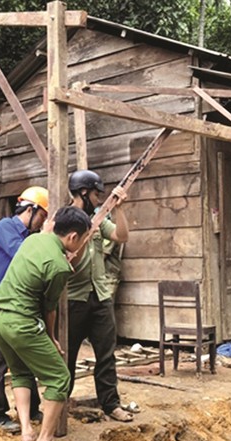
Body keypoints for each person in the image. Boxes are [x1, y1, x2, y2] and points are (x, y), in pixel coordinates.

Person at [0, 206, 91, 441]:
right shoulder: (59, 266)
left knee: (21, 372)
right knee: (59, 377)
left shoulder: (33, 239)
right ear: (72, 238)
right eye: (83, 239)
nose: (82, 245)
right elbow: (50, 308)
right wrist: (50, 336)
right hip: (22, 322)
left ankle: (26, 431)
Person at [0, 186, 49, 433]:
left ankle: (30, 409)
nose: (42, 224)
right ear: (31, 210)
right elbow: (24, 257)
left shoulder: (28, 237)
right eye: (42, 217)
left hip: (13, 307)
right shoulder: (5, 227)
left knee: (25, 360)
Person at [65, 169, 133, 422]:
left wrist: (119, 210)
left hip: (101, 295)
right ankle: (61, 403)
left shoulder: (99, 218)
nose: (98, 199)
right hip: (73, 298)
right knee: (68, 356)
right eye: (95, 194)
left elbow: (121, 236)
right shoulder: (64, 219)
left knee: (106, 353)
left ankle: (111, 404)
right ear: (83, 192)